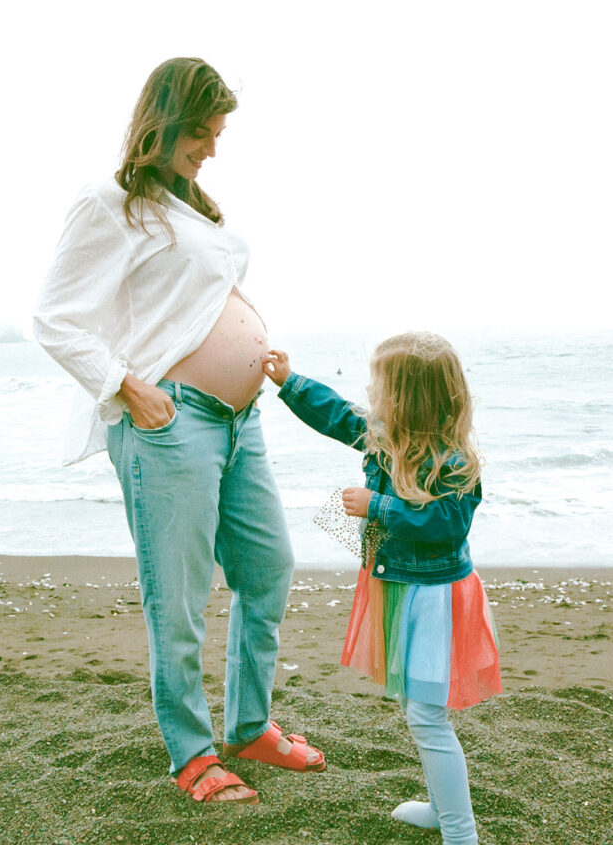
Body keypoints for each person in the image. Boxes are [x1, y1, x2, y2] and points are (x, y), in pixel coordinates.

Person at [34, 57, 325, 805]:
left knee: (268, 570)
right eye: (203, 131)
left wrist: (257, 348)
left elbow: (197, 300)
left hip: (239, 421)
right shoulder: (110, 203)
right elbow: (55, 319)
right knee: (181, 597)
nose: (214, 148)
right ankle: (193, 754)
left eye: (219, 133)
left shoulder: (191, 209)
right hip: (171, 422)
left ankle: (249, 726)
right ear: (162, 121)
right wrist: (130, 390)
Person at [263, 333, 501, 843]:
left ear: (406, 399)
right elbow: (338, 415)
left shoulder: (454, 463)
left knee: (427, 717)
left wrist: (377, 506)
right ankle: (441, 809)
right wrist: (290, 382)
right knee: (417, 707)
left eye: (379, 387)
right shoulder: (385, 436)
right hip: (398, 588)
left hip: (436, 598)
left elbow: (446, 525)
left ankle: (460, 832)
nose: (370, 394)